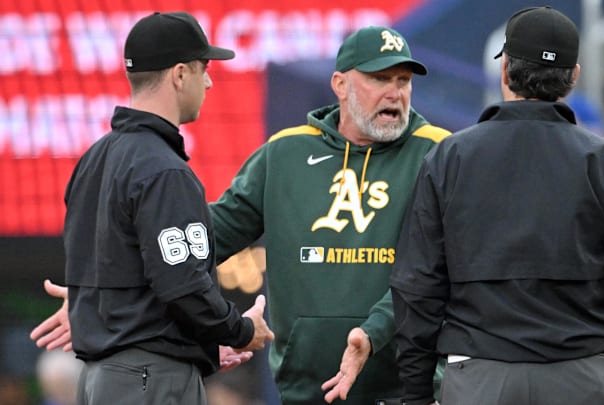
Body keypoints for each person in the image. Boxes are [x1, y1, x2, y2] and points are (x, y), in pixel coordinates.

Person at [31, 25, 450, 404]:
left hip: (404, 391)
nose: (396, 92)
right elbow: (198, 240)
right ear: (340, 84)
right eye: (380, 79)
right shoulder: (285, 152)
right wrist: (110, 287)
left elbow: (433, 273)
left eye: (404, 80)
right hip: (306, 392)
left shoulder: (438, 152)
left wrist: (374, 335)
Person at [390, 6, 604, 405]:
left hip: (480, 377)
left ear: (504, 70)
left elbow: (416, 287)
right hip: (582, 377)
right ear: (573, 76)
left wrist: (416, 394)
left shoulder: (449, 158)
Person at [45, 11, 274, 405]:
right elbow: (183, 285)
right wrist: (239, 329)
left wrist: (200, 344)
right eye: (204, 68)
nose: (209, 80)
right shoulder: (164, 169)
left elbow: (136, 281)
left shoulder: (94, 159)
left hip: (103, 378)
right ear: (179, 74)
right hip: (148, 379)